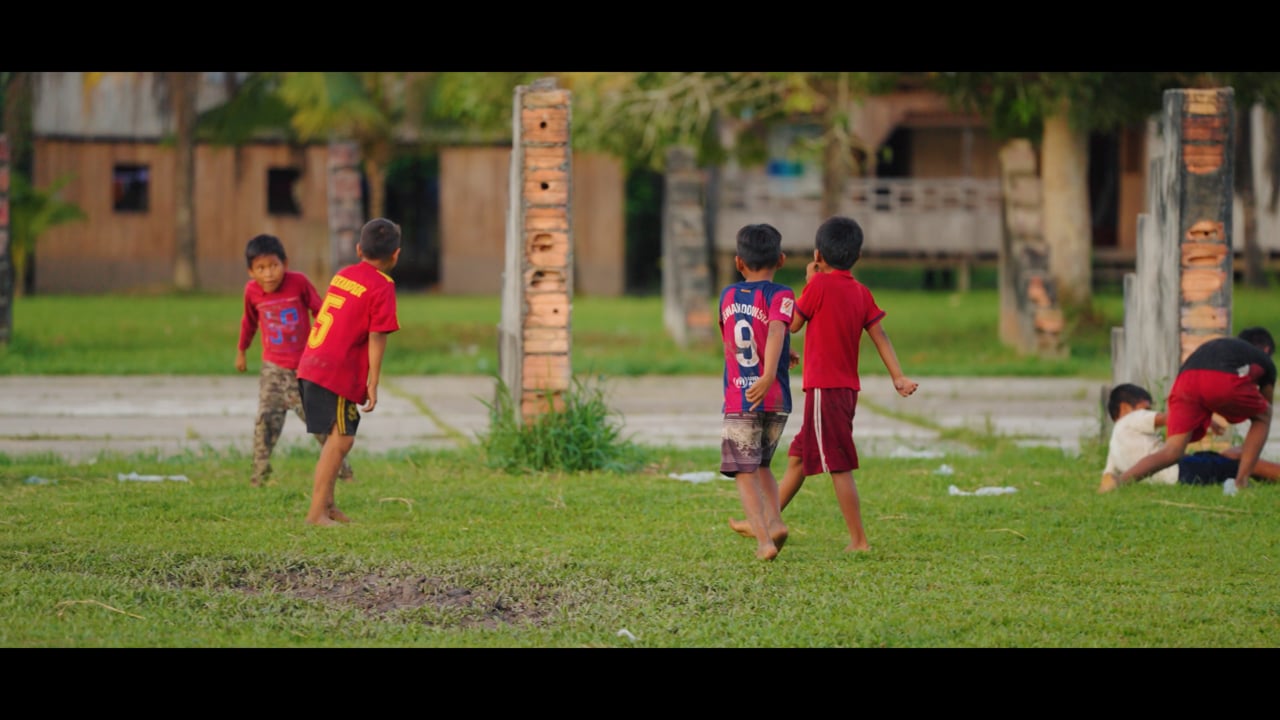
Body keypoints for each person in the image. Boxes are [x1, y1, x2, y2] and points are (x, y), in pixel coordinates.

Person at [732, 215, 918, 552]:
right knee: (800, 459)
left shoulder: (817, 287)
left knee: (839, 465)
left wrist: (808, 283)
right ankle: (769, 520)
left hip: (824, 390)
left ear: (817, 255)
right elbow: (880, 335)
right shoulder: (861, 292)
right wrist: (898, 376)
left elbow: (793, 325)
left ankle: (859, 540)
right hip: (846, 391)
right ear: (857, 257)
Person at [296, 218, 402, 526]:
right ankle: (316, 512)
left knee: (334, 438)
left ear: (359, 249)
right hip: (336, 373)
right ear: (396, 254)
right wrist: (374, 382)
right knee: (342, 440)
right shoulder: (383, 287)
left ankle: (328, 507)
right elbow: (377, 335)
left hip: (311, 364)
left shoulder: (343, 275)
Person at [235, 233, 353, 487]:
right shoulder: (252, 292)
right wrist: (242, 351)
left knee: (321, 425)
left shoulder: (298, 283)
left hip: (305, 369)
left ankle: (344, 471)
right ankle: (259, 476)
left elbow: (320, 310)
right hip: (273, 371)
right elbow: (249, 323)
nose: (269, 274)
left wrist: (327, 344)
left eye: (274, 266)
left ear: (285, 264)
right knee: (266, 421)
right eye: (261, 268)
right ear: (251, 272)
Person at [1101, 327, 1275, 495]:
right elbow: (1262, 410)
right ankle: (1241, 482)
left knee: (1172, 451)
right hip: (1219, 378)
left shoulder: (1229, 348)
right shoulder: (1265, 362)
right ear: (1266, 349)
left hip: (1185, 379)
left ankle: (1120, 482)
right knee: (1264, 416)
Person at [717, 223, 798, 561]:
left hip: (741, 398)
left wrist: (763, 374)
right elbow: (775, 330)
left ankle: (764, 540)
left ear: (738, 263)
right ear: (780, 259)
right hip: (776, 401)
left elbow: (745, 335)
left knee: (743, 470)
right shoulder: (783, 294)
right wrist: (775, 368)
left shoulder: (727, 296)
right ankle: (776, 522)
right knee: (762, 463)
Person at [1097, 382, 1280, 493]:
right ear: (1124, 408)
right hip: (1178, 472)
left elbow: (1108, 478)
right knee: (1243, 459)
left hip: (1173, 475)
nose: (1148, 411)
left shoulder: (1114, 445)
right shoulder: (1131, 418)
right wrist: (1205, 420)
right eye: (1146, 407)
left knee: (1226, 457)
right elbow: (1171, 418)